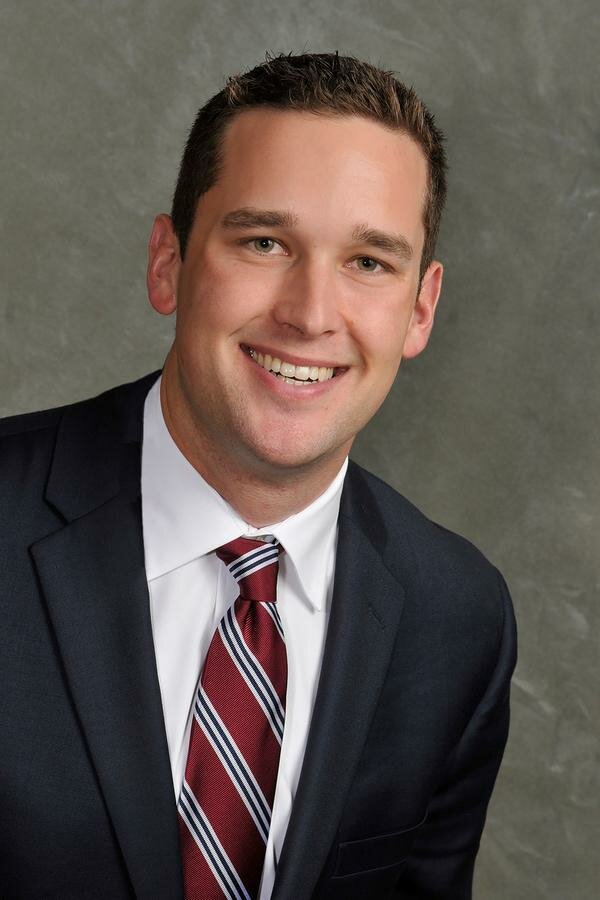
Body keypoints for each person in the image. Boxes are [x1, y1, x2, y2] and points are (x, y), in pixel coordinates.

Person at [0, 52, 517, 899]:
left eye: (369, 262)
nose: (310, 314)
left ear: (420, 309)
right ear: (168, 263)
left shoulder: (457, 618)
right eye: (264, 242)